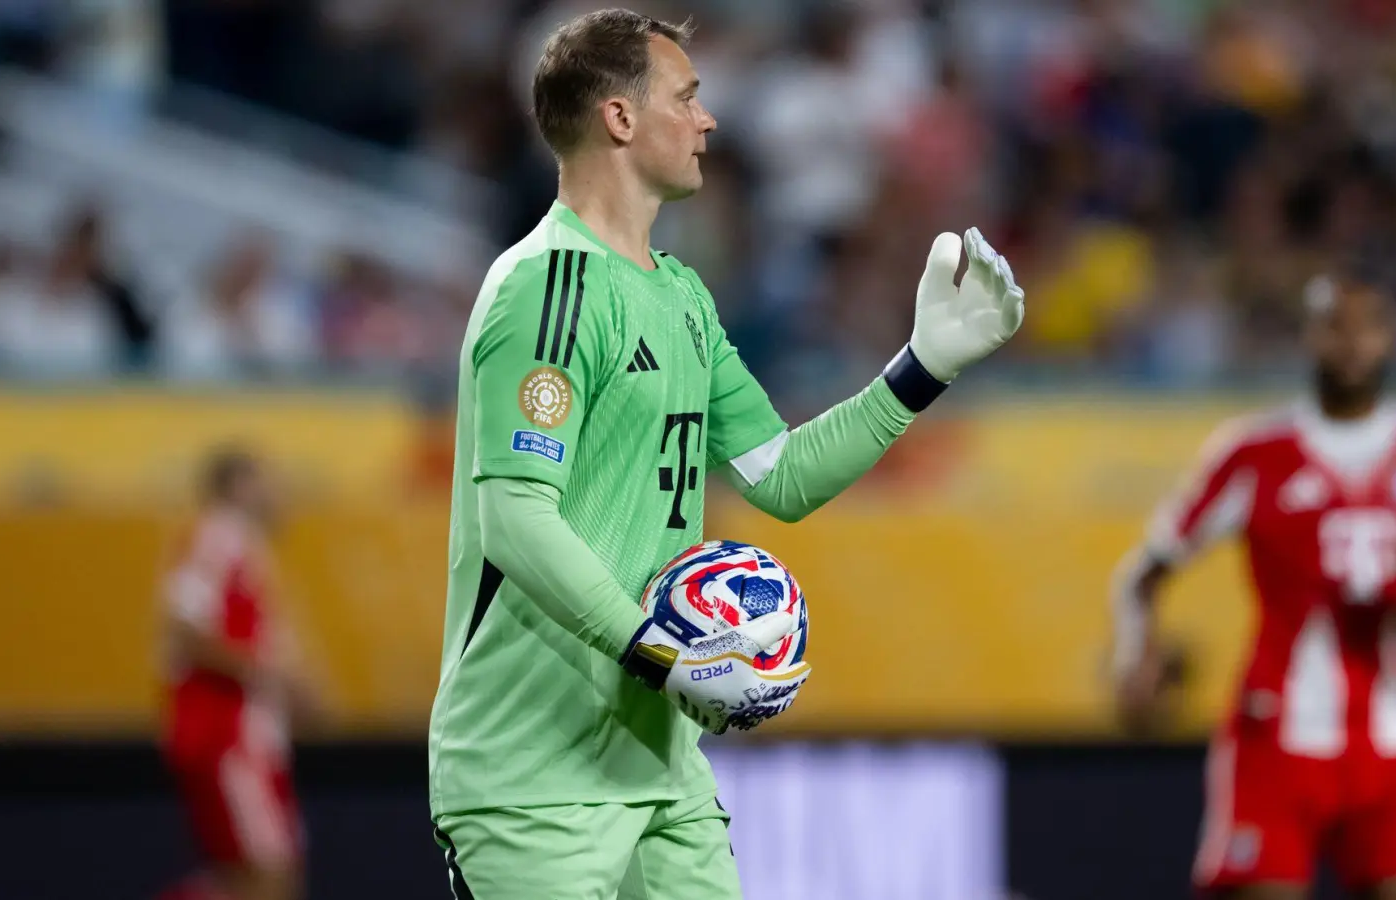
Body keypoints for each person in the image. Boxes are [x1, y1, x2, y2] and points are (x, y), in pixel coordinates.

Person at [426, 9, 1025, 899]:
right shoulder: (546, 286)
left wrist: (923, 367)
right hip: (531, 778)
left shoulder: (683, 300)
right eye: (688, 97)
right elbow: (515, 519)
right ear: (620, 120)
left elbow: (778, 477)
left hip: (661, 769)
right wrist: (660, 653)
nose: (708, 120)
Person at [1110, 269, 1396, 900]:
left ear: (1391, 336)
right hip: (1277, 741)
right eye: (1335, 326)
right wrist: (1136, 653)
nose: (1352, 342)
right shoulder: (1254, 452)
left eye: (1368, 326)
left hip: (1392, 744)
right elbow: (1144, 571)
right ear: (1309, 337)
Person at [159, 448, 320, 900]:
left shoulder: (247, 549)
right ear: (237, 486)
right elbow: (184, 628)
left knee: (254, 878)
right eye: (266, 479)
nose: (279, 492)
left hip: (244, 740)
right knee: (270, 877)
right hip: (227, 736)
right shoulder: (218, 536)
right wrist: (274, 674)